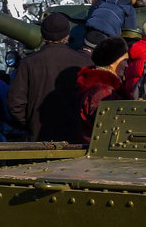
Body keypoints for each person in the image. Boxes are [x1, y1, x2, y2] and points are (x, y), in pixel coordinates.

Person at [7, 12, 92, 143]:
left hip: (39, 138)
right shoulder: (85, 62)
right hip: (76, 139)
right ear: (67, 35)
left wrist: (31, 123)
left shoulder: (28, 63)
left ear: (42, 35)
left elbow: (15, 102)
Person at [77, 37, 130, 143]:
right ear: (112, 62)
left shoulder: (100, 86)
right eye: (124, 60)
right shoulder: (103, 92)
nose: (127, 65)